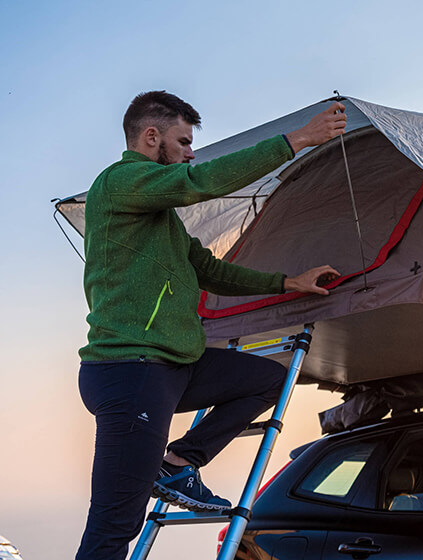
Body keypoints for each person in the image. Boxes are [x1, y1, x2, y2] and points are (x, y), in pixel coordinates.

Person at [76, 91, 346, 560]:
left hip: (174, 367)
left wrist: (287, 282)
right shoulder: (118, 183)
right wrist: (299, 139)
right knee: (113, 526)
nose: (190, 152)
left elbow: (211, 270)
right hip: (130, 370)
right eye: (182, 141)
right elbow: (199, 181)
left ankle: (179, 463)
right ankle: (168, 470)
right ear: (151, 136)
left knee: (268, 379)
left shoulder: (160, 218)